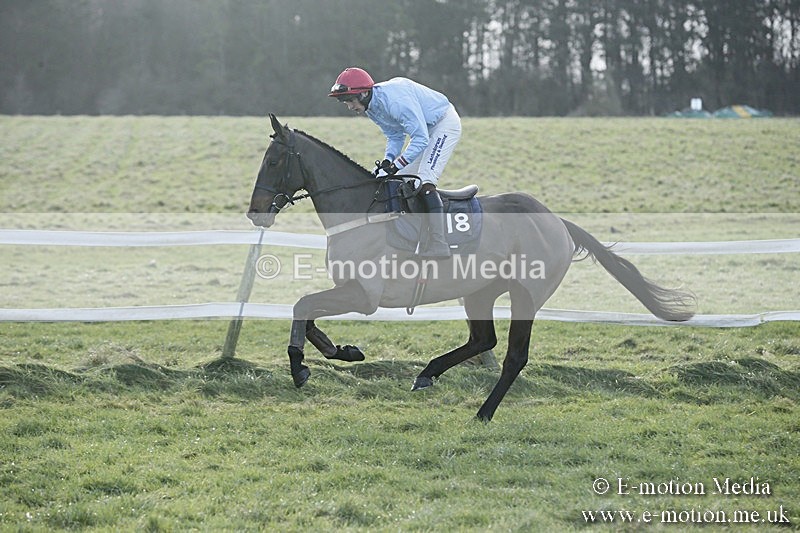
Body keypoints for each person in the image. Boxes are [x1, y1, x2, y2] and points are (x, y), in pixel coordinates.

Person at [328, 67, 461, 259]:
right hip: (423, 130)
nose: (349, 106)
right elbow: (395, 135)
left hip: (443, 124)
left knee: (424, 181)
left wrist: (397, 164)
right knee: (396, 180)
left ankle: (439, 243)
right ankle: (410, 237)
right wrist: (388, 161)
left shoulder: (396, 103)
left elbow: (421, 139)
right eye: (345, 102)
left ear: (364, 94)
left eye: (350, 100)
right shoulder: (371, 108)